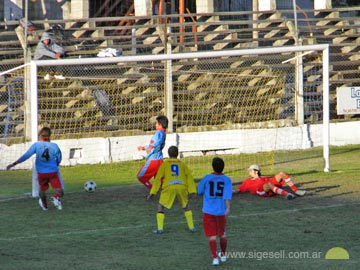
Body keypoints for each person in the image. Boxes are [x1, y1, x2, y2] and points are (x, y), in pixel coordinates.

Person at [6, 127, 64, 211]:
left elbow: (26, 156)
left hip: (41, 173)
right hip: (53, 172)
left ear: (40, 136)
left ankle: (45, 205)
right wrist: (55, 165)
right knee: (60, 190)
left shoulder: (36, 145)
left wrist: (13, 164)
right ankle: (56, 197)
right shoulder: (55, 146)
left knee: (42, 189)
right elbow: (59, 158)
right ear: (50, 136)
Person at [147, 146, 196, 234]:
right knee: (186, 205)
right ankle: (191, 227)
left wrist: (153, 192)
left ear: (168, 154)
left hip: (169, 187)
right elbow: (189, 177)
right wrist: (193, 191)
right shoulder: (182, 164)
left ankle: (160, 229)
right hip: (181, 186)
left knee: (160, 206)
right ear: (177, 154)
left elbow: (158, 178)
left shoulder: (165, 164)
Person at [197, 157, 233, 266]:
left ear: (212, 166)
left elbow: (199, 191)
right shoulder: (227, 180)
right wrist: (228, 208)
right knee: (222, 234)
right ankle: (223, 254)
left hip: (208, 211)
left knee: (212, 235)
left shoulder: (207, 178)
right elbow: (227, 195)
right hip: (221, 211)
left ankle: (215, 258)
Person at [234, 164, 306, 199]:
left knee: (282, 173)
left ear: (256, 171)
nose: (249, 172)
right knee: (268, 184)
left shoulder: (264, 177)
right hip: (261, 190)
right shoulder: (248, 180)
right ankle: (287, 195)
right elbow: (238, 190)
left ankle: (296, 191)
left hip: (271, 186)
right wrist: (229, 191)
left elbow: (271, 182)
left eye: (250, 171)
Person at [137, 115, 168, 189]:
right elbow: (156, 143)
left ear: (160, 124)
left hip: (153, 160)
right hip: (160, 160)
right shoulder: (163, 133)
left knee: (141, 176)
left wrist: (150, 148)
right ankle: (168, 191)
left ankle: (152, 189)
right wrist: (144, 148)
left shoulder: (158, 133)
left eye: (156, 123)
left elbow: (157, 142)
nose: (155, 124)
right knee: (160, 180)